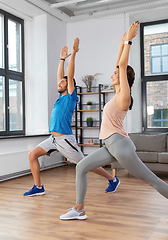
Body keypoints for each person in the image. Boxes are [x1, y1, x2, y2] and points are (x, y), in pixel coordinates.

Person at [60, 22, 168, 224]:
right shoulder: (117, 95)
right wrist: (121, 43)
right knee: (81, 167)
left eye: (115, 74)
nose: (112, 74)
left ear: (123, 79)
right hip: (110, 145)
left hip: (121, 147)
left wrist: (129, 41)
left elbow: (121, 66)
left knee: (151, 179)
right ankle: (79, 209)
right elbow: (118, 65)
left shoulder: (125, 96)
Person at [23, 38, 120, 197]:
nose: (60, 82)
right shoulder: (61, 97)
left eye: (63, 82)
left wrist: (73, 54)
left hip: (65, 140)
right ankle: (38, 187)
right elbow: (61, 75)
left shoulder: (70, 97)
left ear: (69, 86)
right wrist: (62, 59)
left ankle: (112, 179)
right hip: (53, 139)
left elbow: (69, 74)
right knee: (32, 154)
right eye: (60, 81)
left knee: (85, 164)